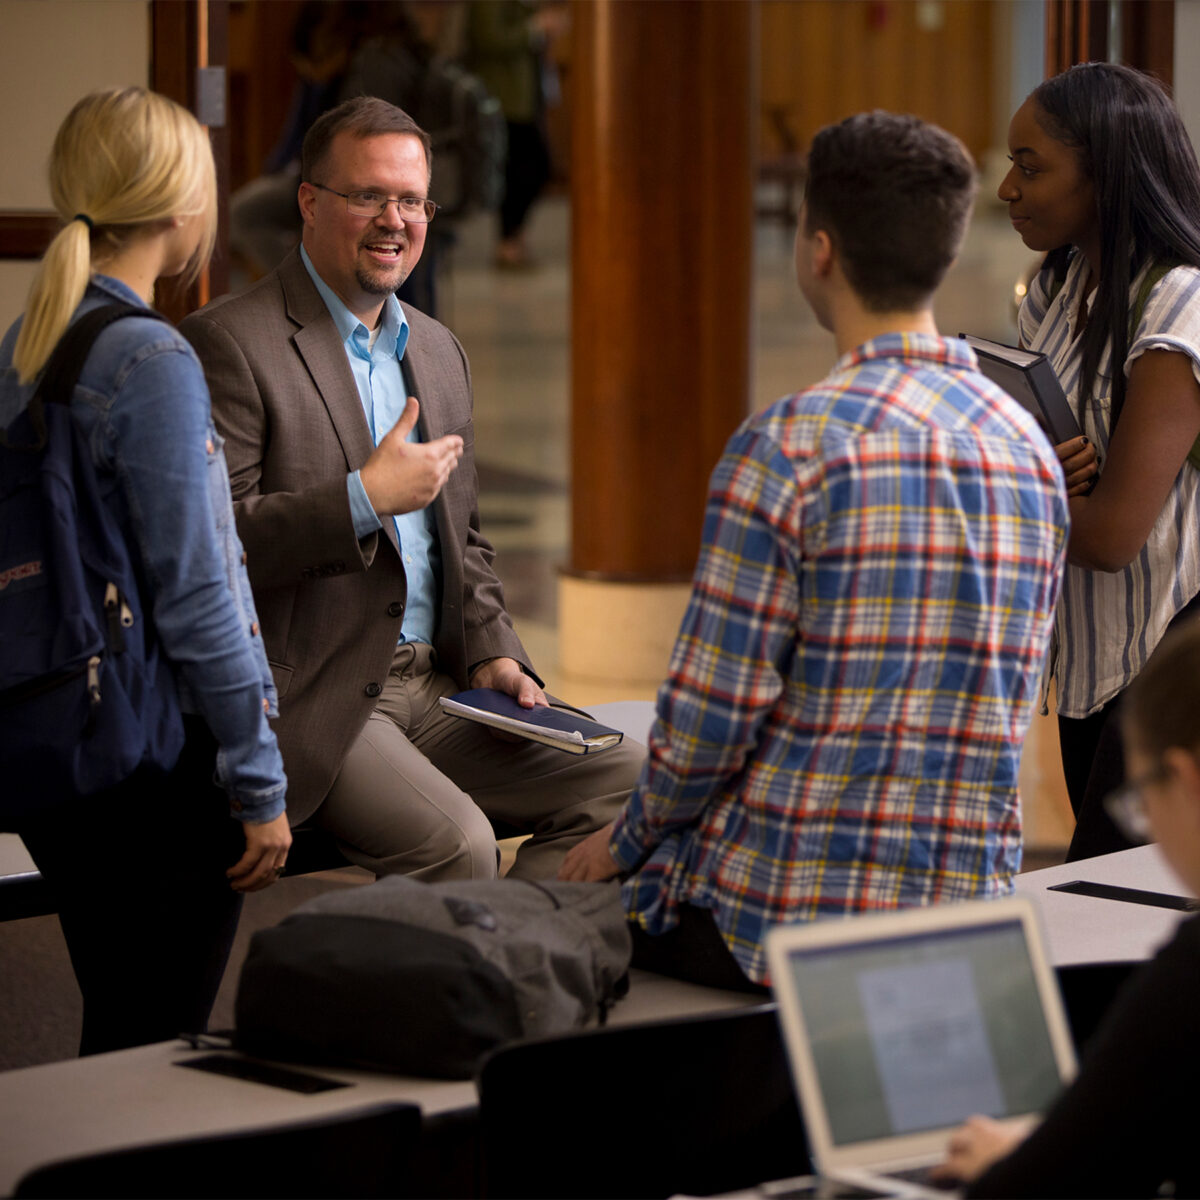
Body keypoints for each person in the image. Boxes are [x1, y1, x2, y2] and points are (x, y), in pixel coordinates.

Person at [559, 112, 1071, 991]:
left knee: (547, 878)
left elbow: (711, 722)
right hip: (963, 909)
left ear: (819, 251)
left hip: (780, 919)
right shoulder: (1023, 445)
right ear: (945, 256)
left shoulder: (791, 447)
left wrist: (628, 838)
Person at [181, 96, 642, 882]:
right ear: (310, 202)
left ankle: (512, 970)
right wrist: (363, 498)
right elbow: (220, 545)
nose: (393, 220)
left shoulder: (436, 349)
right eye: (367, 196)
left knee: (633, 783)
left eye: (412, 200)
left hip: (439, 687)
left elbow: (465, 542)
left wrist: (496, 654)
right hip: (320, 699)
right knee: (457, 846)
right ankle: (466, 981)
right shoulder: (232, 343)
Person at [0, 87, 291, 1054]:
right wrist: (257, 778)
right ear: (183, 206)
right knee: (156, 1044)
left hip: (55, 736)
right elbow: (202, 593)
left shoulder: (29, 339)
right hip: (150, 759)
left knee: (119, 1024)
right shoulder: (150, 357)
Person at [997, 62, 1200, 861]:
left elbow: (1113, 535)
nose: (1009, 188)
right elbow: (1019, 446)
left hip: (1165, 653)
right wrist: (1046, 473)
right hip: (1087, 650)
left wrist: (1027, 474)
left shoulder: (1178, 300)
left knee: (1111, 900)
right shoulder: (1061, 279)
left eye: (1031, 165)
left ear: (1108, 172)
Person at [936, 615, 1200, 1198]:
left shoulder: (1189, 974)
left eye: (1140, 801)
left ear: (1186, 780)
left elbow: (1044, 1184)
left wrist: (1010, 1160)